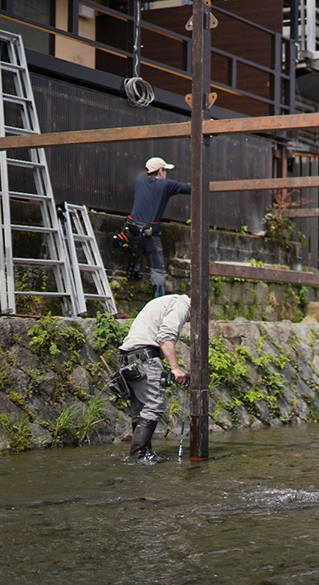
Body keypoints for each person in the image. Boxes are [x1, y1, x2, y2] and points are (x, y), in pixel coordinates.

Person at [117, 293, 190, 463]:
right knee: (155, 404)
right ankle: (140, 454)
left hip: (128, 356)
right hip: (145, 356)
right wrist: (175, 368)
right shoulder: (182, 305)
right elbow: (165, 337)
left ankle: (142, 454)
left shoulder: (166, 300)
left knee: (140, 407)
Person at [126, 156, 191, 298]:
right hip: (149, 231)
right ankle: (158, 299)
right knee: (157, 268)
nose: (166, 174)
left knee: (134, 252)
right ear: (160, 171)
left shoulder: (138, 183)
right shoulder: (166, 185)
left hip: (132, 228)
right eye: (166, 171)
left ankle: (132, 273)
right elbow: (188, 189)